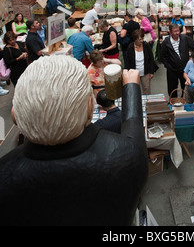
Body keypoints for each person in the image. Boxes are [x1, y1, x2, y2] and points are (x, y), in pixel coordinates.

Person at [0, 57, 148, 226]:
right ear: (89, 107)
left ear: (15, 114)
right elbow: (133, 128)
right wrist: (131, 87)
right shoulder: (126, 157)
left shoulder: (5, 172)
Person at [160, 23, 194, 98]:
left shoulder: (185, 38)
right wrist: (168, 66)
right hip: (172, 71)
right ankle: (173, 101)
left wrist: (192, 58)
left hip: (185, 69)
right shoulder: (166, 42)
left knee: (186, 86)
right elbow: (162, 56)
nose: (177, 33)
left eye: (178, 31)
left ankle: (184, 100)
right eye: (175, 31)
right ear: (170, 32)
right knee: (172, 87)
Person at [125, 29, 155, 94]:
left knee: (146, 89)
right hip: (134, 73)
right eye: (139, 39)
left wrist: (151, 72)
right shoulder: (130, 47)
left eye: (142, 38)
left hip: (145, 72)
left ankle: (146, 103)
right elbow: (127, 61)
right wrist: (128, 72)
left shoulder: (146, 45)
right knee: (135, 90)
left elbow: (151, 59)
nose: (141, 41)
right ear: (135, 39)